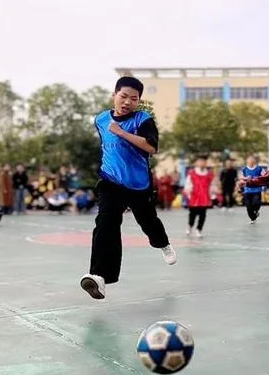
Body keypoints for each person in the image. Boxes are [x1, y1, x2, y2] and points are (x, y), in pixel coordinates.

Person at [80, 76, 177, 300]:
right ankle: (99, 277)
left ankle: (162, 243)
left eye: (134, 99)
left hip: (138, 183)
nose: (127, 102)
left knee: (148, 221)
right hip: (110, 180)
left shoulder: (143, 119)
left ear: (138, 102)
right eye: (123, 96)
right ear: (114, 95)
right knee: (106, 222)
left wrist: (122, 132)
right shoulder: (101, 119)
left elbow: (152, 147)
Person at [184, 155, 215, 238]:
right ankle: (190, 226)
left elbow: (211, 185)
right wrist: (188, 193)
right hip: (194, 197)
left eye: (204, 162)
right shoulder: (192, 173)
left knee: (203, 215)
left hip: (204, 197)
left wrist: (212, 194)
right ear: (196, 163)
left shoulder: (209, 174)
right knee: (192, 214)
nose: (202, 163)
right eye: (200, 161)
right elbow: (188, 184)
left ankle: (198, 230)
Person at [241, 155, 264, 224]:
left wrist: (257, 179)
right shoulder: (244, 169)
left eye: (252, 159)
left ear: (254, 161)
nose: (251, 161)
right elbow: (241, 177)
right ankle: (253, 218)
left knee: (256, 203)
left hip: (257, 189)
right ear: (247, 161)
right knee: (248, 205)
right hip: (247, 190)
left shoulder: (259, 169)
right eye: (249, 159)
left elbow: (264, 176)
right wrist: (245, 178)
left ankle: (256, 211)